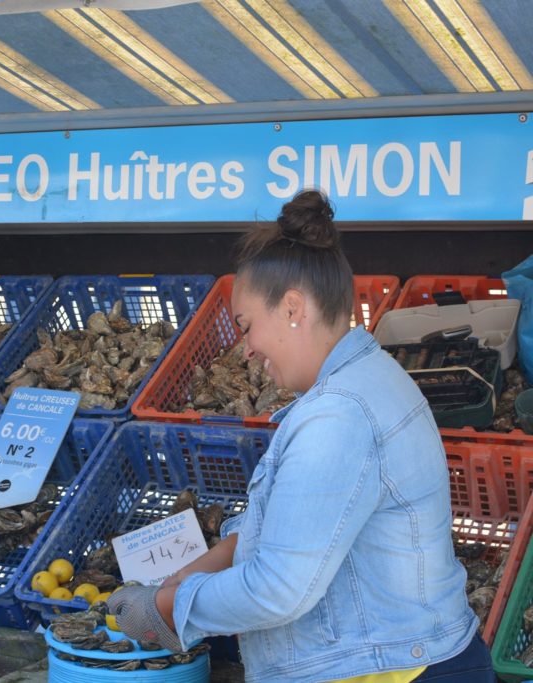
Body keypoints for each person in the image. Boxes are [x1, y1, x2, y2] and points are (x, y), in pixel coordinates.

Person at [107, 190, 494, 682]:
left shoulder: (338, 416)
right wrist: (184, 577)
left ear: (293, 307)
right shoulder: (367, 381)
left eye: (246, 327)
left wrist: (166, 608)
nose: (246, 349)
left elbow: (279, 589)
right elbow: (292, 530)